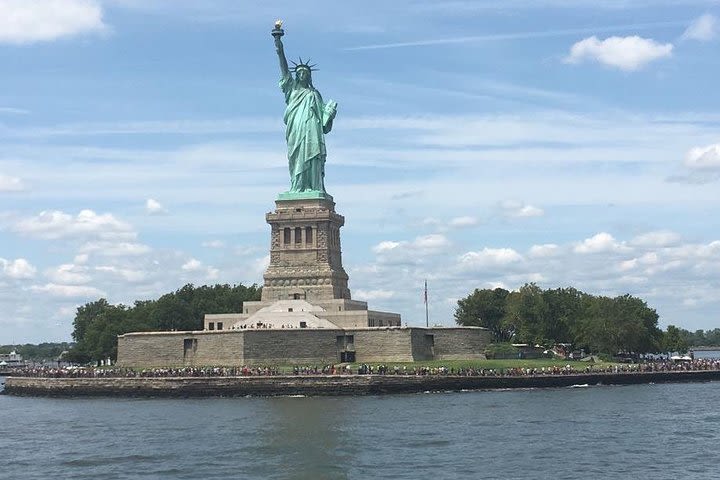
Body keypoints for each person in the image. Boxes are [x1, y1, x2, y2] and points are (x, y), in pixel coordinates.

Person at [274, 28, 337, 193]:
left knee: (312, 155)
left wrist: (330, 115)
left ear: (309, 76)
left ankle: (313, 186)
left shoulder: (315, 94)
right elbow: (284, 67)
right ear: (296, 76)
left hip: (312, 130)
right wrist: (278, 45)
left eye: (305, 73)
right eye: (299, 72)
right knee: (296, 156)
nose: (302, 74)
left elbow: (324, 122)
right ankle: (298, 186)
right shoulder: (292, 89)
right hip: (296, 128)